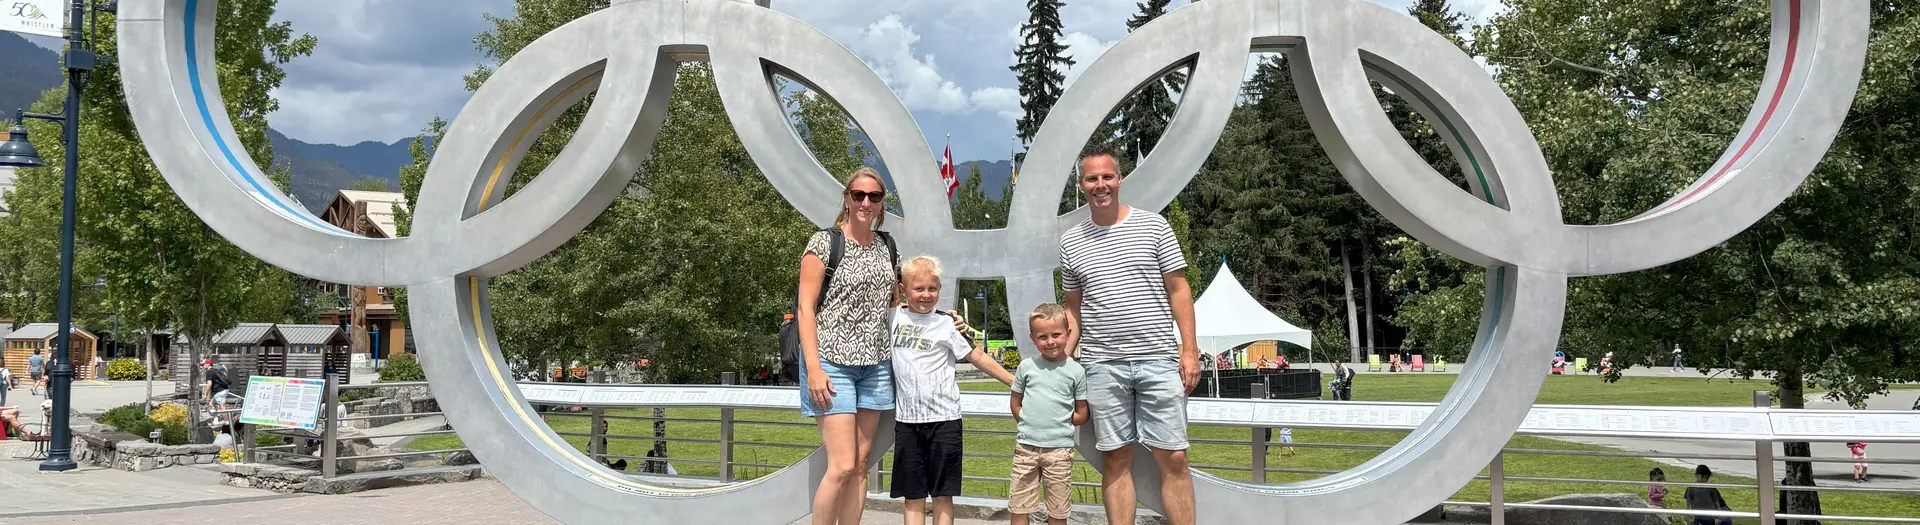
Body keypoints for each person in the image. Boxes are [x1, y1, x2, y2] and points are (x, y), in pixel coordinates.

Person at [1058, 144, 1200, 525]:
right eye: (1092, 178)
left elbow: (1179, 290)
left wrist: (1189, 349)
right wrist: (1062, 363)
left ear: (1120, 179)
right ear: (1081, 185)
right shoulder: (1071, 242)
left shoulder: (1155, 227)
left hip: (1158, 358)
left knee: (1174, 456)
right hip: (1102, 364)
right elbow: (1073, 310)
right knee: (1116, 458)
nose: (1100, 185)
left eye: (1107, 176)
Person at [797, 167, 903, 525]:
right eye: (858, 195)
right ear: (847, 198)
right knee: (842, 465)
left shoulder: (888, 247)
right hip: (831, 362)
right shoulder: (824, 243)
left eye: (874, 196)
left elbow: (896, 305)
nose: (866, 202)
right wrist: (814, 368)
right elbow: (805, 309)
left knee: (860, 464)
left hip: (875, 365)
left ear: (882, 203)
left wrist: (944, 319)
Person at [888, 255, 1015, 525]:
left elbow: (976, 357)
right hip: (907, 422)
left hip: (945, 421)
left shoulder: (946, 323)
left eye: (932, 288)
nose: (926, 295)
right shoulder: (892, 318)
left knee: (943, 494)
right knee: (913, 496)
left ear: (940, 289)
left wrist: (1014, 382)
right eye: (918, 288)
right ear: (903, 289)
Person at [1008, 304, 1088, 525]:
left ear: (1068, 334)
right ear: (1032, 338)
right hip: (1026, 448)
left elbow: (1082, 413)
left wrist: (1058, 420)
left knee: (1058, 509)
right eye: (1042, 337)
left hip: (1059, 450)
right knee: (1019, 506)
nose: (1050, 341)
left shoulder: (1076, 371)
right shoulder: (1026, 367)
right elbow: (1015, 402)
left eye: (1056, 335)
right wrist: (1029, 419)